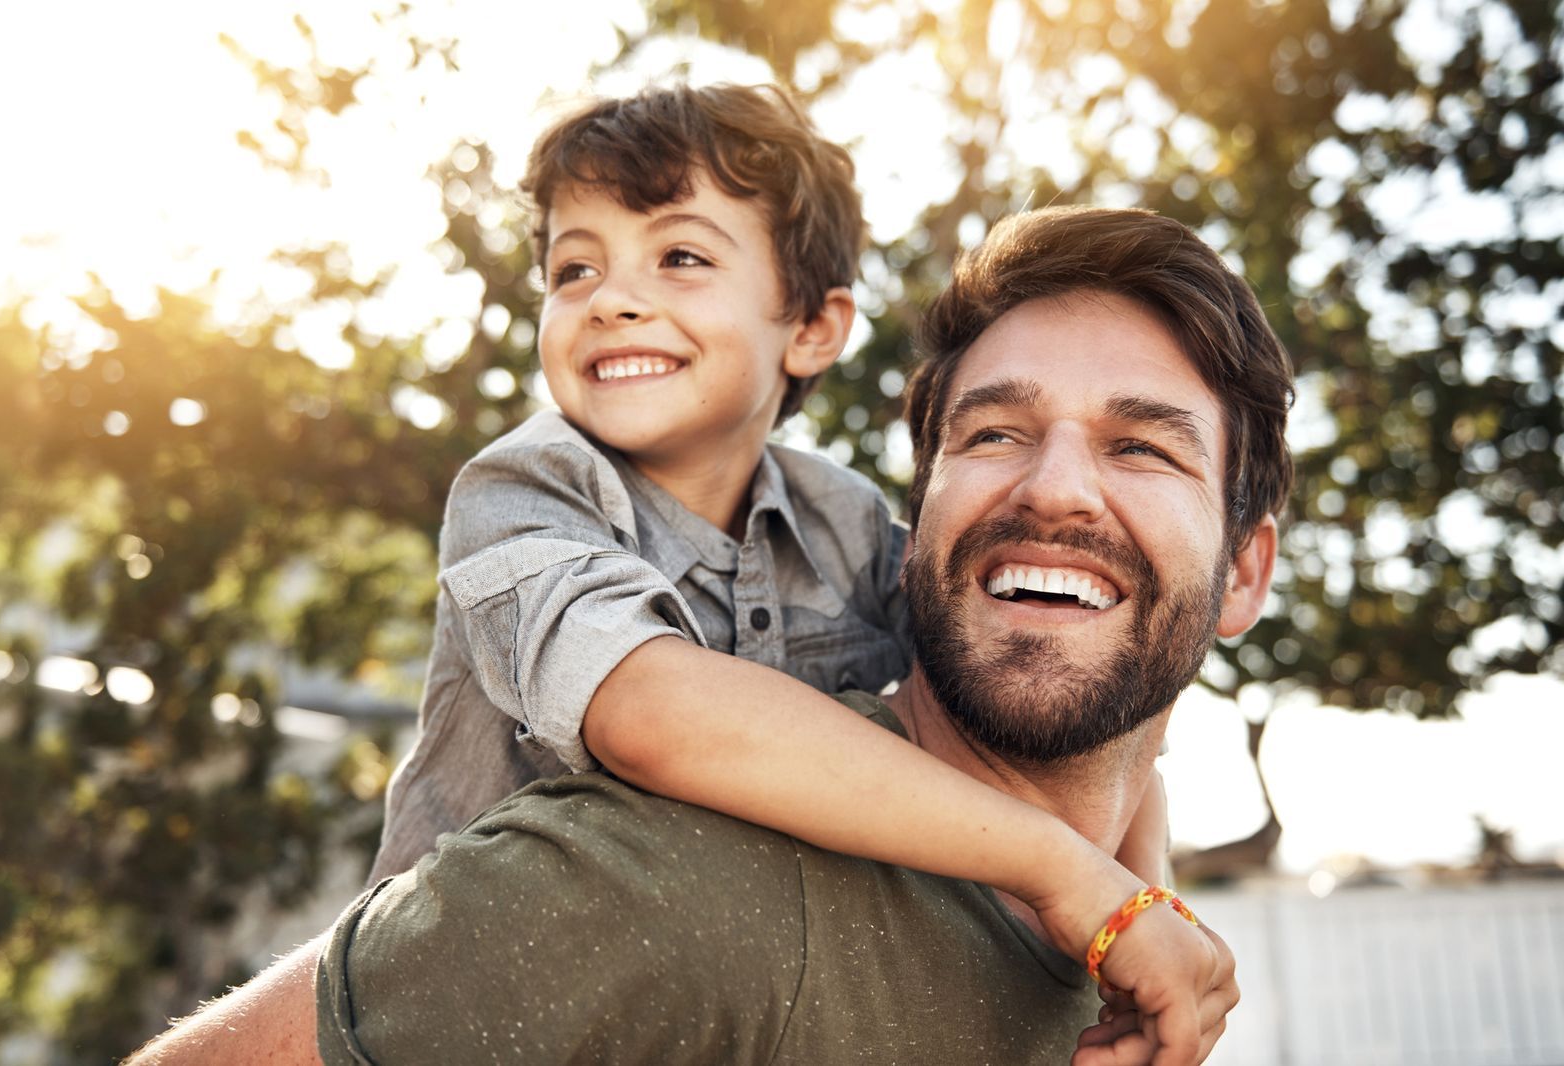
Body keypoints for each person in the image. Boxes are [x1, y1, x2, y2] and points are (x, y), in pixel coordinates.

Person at [127, 203, 1291, 1065]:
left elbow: (1132, 758)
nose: (1057, 490)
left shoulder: (1129, 969)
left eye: (1143, 446)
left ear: (1245, 572)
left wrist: (1133, 905)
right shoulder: (676, 883)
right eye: (992, 433)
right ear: (919, 526)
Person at [369, 83, 1194, 1004]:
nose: (610, 301)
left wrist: (1136, 893)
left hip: (709, 1001)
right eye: (574, 271)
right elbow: (649, 715)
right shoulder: (528, 488)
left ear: (812, 328)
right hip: (468, 1001)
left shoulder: (842, 520)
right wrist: (1066, 872)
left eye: (678, 256)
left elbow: (1060, 698)